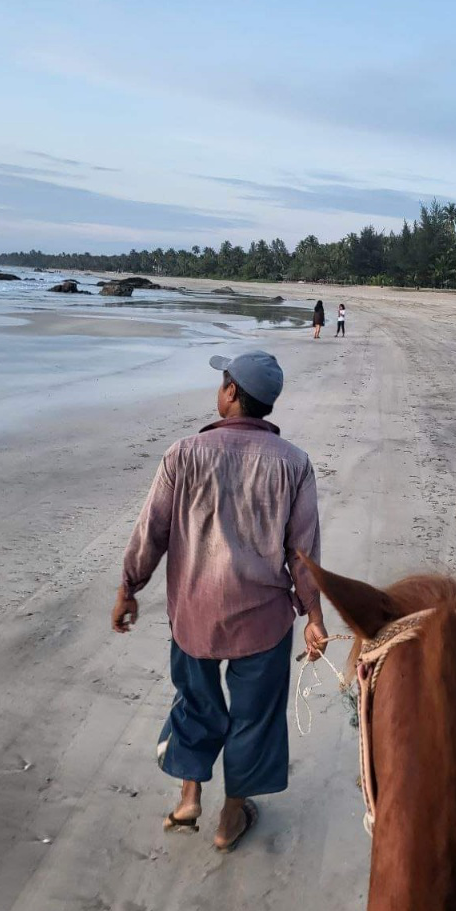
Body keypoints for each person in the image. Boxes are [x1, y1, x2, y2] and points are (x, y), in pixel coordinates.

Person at [111, 350, 327, 851]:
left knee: (196, 702)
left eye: (222, 381)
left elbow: (152, 532)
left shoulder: (184, 453)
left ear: (230, 394)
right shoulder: (294, 463)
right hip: (264, 618)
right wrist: (314, 616)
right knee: (255, 715)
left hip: (195, 612)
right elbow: (303, 552)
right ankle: (230, 821)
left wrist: (129, 588)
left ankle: (189, 798)